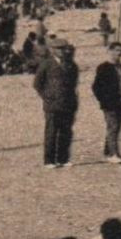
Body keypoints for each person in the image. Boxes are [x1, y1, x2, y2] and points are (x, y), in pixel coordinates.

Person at [34, 39, 80, 169]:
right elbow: (37, 84)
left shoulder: (71, 65)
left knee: (66, 132)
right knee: (51, 132)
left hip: (68, 103)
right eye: (59, 48)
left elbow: (74, 83)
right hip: (52, 105)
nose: (62, 51)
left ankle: (63, 158)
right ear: (53, 50)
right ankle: (49, 160)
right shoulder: (46, 64)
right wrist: (47, 97)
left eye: (64, 48)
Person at [92, 42, 121, 163]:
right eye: (117, 50)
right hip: (110, 104)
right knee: (112, 127)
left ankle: (108, 151)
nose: (120, 53)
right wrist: (104, 100)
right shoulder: (103, 67)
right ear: (110, 51)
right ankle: (114, 154)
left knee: (117, 127)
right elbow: (96, 87)